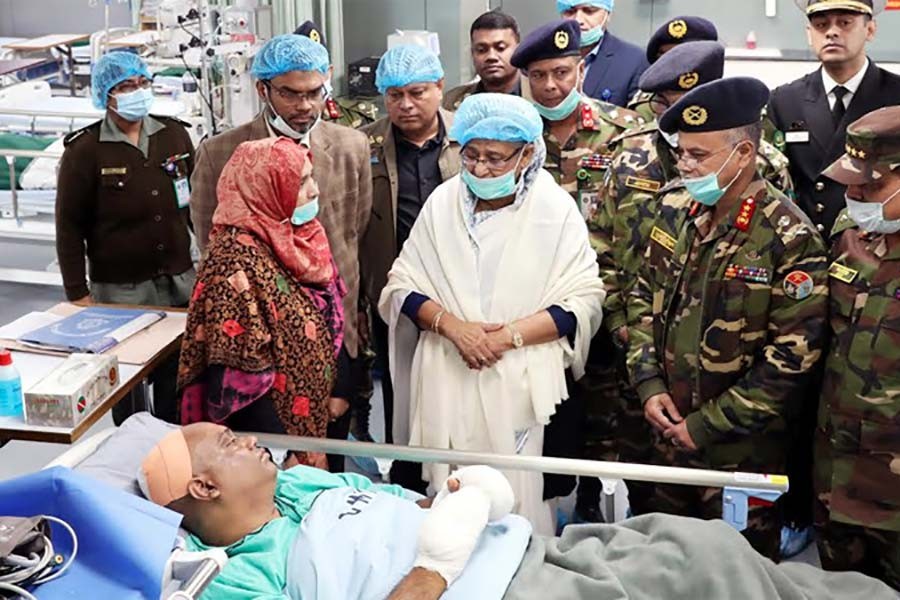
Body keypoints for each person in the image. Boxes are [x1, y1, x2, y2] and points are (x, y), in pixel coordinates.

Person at [137, 423, 900, 600]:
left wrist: (470, 502)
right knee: (700, 566)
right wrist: (435, 566)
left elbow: (425, 505)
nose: (251, 442)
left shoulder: (302, 489)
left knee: (685, 536)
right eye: (233, 443)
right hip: (495, 592)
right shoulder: (246, 575)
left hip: (520, 546)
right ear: (203, 489)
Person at [379, 93, 605, 535]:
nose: (481, 170)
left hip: (519, 382)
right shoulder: (444, 203)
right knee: (448, 504)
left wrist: (506, 338)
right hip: (447, 372)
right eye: (472, 156)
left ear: (527, 155)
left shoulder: (553, 210)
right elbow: (401, 285)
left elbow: (582, 298)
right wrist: (454, 328)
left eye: (496, 159)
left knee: (516, 507)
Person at [626, 77, 830, 560]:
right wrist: (648, 384)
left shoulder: (787, 236)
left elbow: (793, 358)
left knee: (741, 572)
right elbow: (640, 297)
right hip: (667, 440)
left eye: (700, 155)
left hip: (743, 453)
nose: (685, 164)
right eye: (682, 153)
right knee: (666, 564)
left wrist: (706, 425)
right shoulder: (676, 211)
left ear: (742, 155)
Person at [189, 34, 373, 469]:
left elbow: (355, 232)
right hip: (258, 349)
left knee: (331, 461)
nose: (304, 106)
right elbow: (212, 243)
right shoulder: (220, 154)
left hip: (334, 335)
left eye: (314, 92)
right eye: (290, 93)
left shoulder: (352, 147)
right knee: (268, 468)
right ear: (263, 90)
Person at [510, 18, 636, 521]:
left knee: (607, 416)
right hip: (535, 304)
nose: (550, 86)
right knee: (546, 412)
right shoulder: (511, 133)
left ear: (581, 68)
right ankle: (551, 502)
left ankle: (593, 501)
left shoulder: (624, 132)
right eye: (538, 76)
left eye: (561, 72)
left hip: (607, 300)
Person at [177, 138, 345, 471]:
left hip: (314, 421)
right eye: (300, 182)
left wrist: (338, 387)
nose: (314, 191)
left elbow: (332, 313)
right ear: (263, 190)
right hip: (270, 447)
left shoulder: (301, 238)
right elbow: (240, 379)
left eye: (311, 178)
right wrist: (286, 450)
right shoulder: (232, 264)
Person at [55, 51, 195, 425]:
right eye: (126, 86)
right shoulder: (85, 151)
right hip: (121, 291)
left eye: (142, 83)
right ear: (106, 94)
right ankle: (133, 447)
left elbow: (193, 204)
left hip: (179, 281)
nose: (137, 92)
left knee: (177, 379)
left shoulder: (174, 134)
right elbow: (68, 226)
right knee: (128, 384)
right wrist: (77, 294)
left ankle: (172, 455)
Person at [359, 45, 461, 486]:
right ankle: (406, 476)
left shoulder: (469, 138)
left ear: (440, 87)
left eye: (417, 92)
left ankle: (455, 472)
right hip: (393, 292)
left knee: (456, 386)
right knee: (400, 388)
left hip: (460, 290)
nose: (405, 105)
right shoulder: (364, 144)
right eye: (394, 95)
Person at [814, 107, 900, 590]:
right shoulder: (848, 233)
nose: (855, 196)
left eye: (871, 186)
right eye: (850, 183)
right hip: (835, 472)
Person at [768, 0, 900, 238]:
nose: (831, 32)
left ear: (870, 30)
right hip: (805, 246)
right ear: (809, 34)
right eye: (821, 24)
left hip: (879, 245)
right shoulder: (784, 101)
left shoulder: (896, 95)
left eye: (845, 23)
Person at [627, 16, 719, 123]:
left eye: (684, 55)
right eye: (666, 56)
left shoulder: (727, 98)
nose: (674, 62)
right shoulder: (646, 104)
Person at [557, 0, 648, 107]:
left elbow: (640, 119)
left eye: (589, 11)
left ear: (608, 14)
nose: (578, 20)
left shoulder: (634, 61)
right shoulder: (545, 57)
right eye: (570, 11)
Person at [293, 20, 380, 129]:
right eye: (302, 69)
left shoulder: (357, 116)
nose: (310, 78)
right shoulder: (284, 120)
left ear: (329, 72)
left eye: (318, 69)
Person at [442, 11, 525, 112]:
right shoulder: (453, 101)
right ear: (472, 53)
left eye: (500, 48)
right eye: (481, 50)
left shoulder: (541, 95)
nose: (491, 56)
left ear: (519, 50)